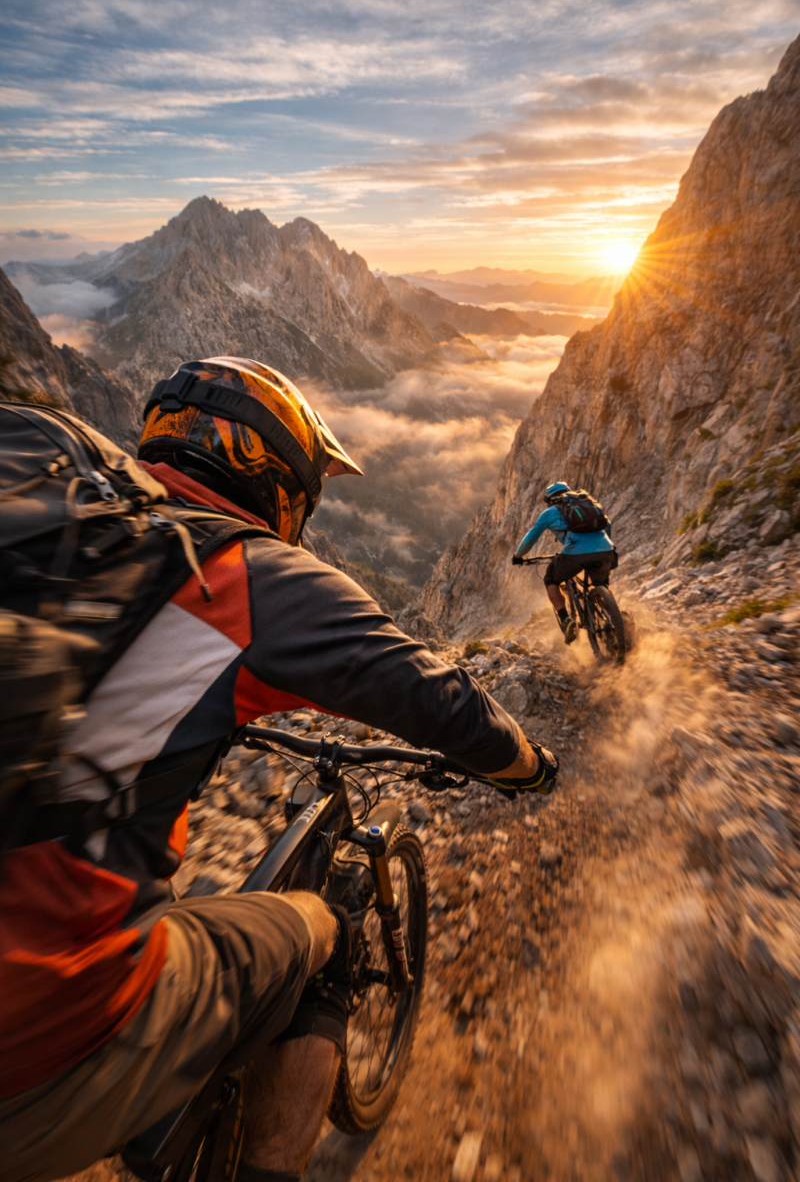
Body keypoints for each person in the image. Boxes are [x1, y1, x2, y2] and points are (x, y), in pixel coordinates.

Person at [0, 357, 558, 1182]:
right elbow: (444, 704)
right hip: (47, 1048)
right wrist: (528, 769)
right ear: (281, 481)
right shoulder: (249, 579)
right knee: (322, 934)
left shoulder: (62, 533)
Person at [511, 480, 616, 643]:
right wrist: (603, 546)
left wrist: (518, 556)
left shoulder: (550, 513)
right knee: (600, 585)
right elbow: (607, 524)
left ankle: (566, 620)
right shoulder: (587, 505)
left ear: (550, 500)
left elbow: (531, 536)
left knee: (551, 579)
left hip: (576, 554)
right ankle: (615, 618)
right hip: (606, 551)